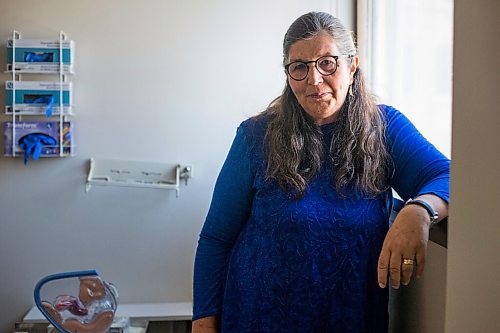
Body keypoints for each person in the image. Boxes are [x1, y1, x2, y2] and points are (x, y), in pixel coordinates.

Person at [192, 11, 449, 333]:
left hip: (350, 317)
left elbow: (447, 175)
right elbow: (216, 238)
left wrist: (419, 210)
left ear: (352, 65)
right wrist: (203, 321)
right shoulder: (256, 136)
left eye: (328, 62)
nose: (314, 80)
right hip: (258, 316)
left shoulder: (384, 128)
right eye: (299, 67)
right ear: (288, 75)